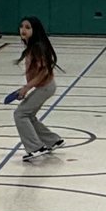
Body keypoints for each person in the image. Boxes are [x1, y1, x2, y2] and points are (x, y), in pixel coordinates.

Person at [13, 16, 64, 162]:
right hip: (45, 86)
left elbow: (44, 71)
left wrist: (27, 88)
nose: (23, 30)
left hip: (45, 87)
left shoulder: (37, 47)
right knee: (28, 115)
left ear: (35, 30)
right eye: (22, 26)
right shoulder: (31, 46)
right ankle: (53, 140)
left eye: (28, 27)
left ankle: (36, 147)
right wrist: (26, 88)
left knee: (20, 114)